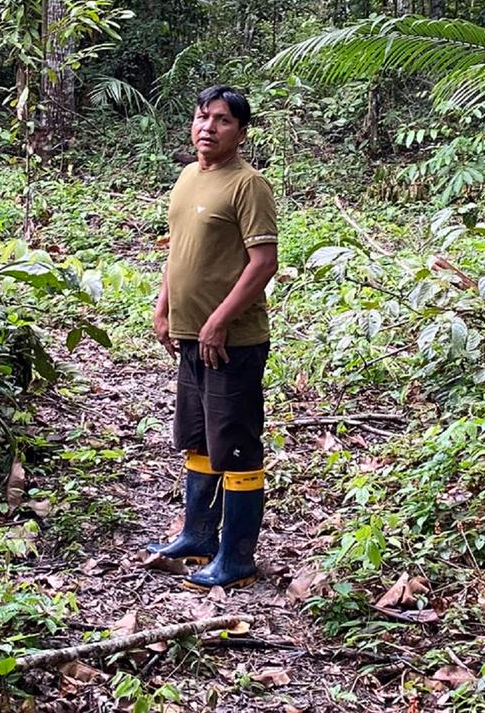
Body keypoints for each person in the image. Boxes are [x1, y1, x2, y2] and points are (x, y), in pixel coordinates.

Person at [146, 85, 279, 590]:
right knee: (198, 437)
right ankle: (198, 533)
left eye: (222, 120)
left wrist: (220, 319)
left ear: (241, 132)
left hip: (232, 340)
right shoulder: (186, 178)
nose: (208, 127)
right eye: (203, 117)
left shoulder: (248, 185)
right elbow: (177, 252)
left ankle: (237, 556)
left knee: (237, 445)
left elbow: (264, 262)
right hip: (188, 336)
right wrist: (163, 307)